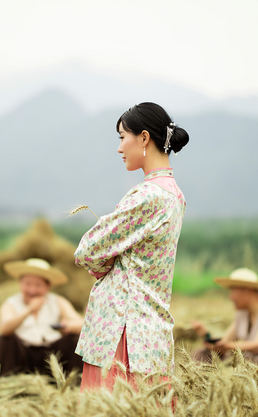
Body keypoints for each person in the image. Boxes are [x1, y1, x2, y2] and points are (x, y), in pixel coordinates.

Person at [73, 102, 189, 391]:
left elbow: (87, 250)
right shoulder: (174, 195)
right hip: (148, 330)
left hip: (123, 331)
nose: (119, 147)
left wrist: (105, 265)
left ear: (145, 138)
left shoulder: (147, 196)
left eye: (123, 137)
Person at [0, 258, 84, 376]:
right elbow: (5, 328)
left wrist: (67, 327)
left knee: (75, 339)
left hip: (52, 354)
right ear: (20, 283)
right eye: (28, 284)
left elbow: (82, 325)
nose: (32, 290)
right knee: (5, 340)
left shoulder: (58, 302)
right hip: (23, 353)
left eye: (38, 285)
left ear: (48, 286)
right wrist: (29, 310)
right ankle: (8, 379)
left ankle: (73, 382)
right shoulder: (11, 303)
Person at [191, 268, 258, 365]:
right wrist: (207, 335)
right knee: (201, 354)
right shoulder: (243, 313)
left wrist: (227, 347)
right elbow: (224, 343)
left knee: (246, 361)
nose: (230, 297)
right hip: (253, 364)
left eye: (232, 291)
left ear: (247, 290)